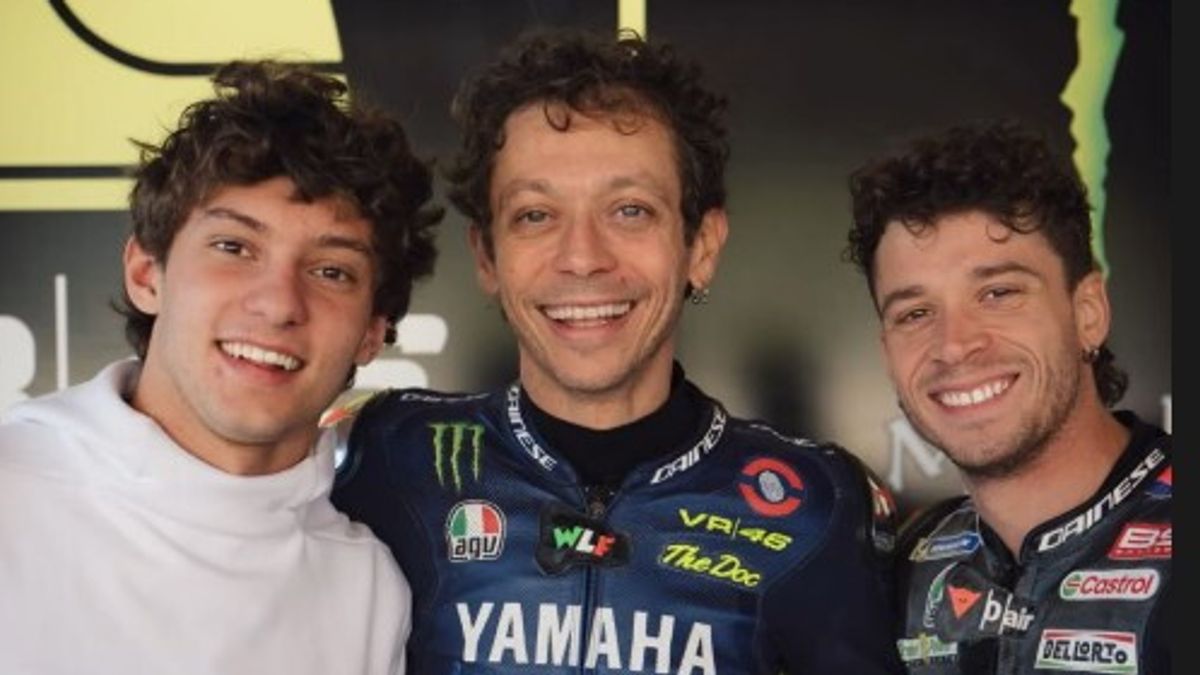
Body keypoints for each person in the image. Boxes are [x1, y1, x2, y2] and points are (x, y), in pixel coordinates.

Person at [332, 28, 902, 674]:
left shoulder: (815, 507)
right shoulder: (391, 459)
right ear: (487, 256)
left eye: (629, 210)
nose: (582, 257)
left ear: (701, 246)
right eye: (535, 215)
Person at [0, 60, 440, 674]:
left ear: (371, 333)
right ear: (147, 274)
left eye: (331, 271)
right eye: (234, 247)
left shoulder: (368, 588)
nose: (279, 303)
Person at [845, 120, 1170, 673]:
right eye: (915, 313)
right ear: (886, 351)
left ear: (1088, 313)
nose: (954, 344)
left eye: (998, 293)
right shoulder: (905, 567)